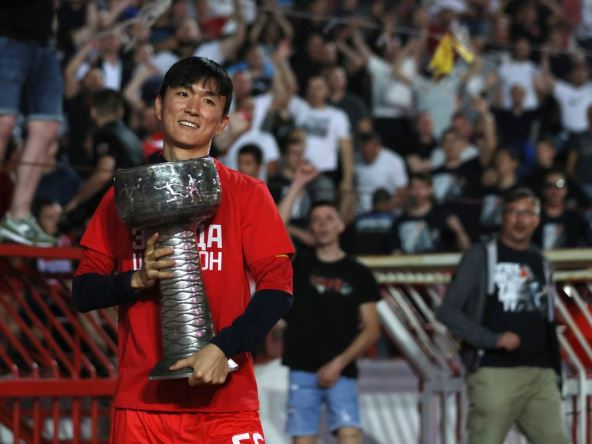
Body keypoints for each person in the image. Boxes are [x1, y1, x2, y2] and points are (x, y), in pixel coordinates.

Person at [72, 57, 294, 443]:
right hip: (142, 410)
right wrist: (136, 280)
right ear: (159, 106)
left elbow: (278, 289)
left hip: (226, 405)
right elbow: (83, 291)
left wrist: (223, 348)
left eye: (208, 101)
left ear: (222, 123)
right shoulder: (121, 198)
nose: (193, 108)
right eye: (183, 94)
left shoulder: (247, 193)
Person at [437, 188, 568, 444]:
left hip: (541, 373)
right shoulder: (481, 255)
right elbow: (448, 311)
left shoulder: (541, 261)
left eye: (527, 213)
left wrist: (555, 368)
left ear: (537, 220)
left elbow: (547, 317)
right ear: (502, 217)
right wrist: (492, 339)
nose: (520, 219)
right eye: (514, 212)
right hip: (495, 371)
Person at [278, 176, 381, 444]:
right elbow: (274, 226)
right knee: (303, 439)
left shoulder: (358, 273)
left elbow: (372, 330)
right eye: (316, 220)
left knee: (350, 435)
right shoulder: (300, 266)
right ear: (310, 228)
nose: (323, 224)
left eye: (328, 218)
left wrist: (338, 363)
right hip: (302, 367)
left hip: (342, 370)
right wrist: (298, 184)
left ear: (340, 225)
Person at [0, 0, 63, 247]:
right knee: (3, 122)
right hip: (6, 35)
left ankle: (19, 216)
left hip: (44, 42)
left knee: (47, 126)